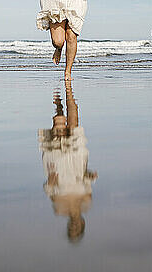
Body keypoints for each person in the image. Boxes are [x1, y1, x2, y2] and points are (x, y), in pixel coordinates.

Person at [38, 81, 97, 243]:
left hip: (58, 166)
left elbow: (49, 189)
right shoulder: (87, 202)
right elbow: (85, 178)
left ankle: (59, 105)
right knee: (73, 124)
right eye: (76, 228)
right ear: (82, 223)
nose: (74, 225)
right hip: (77, 160)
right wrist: (90, 176)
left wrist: (50, 182)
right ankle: (67, 96)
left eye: (72, 229)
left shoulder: (58, 209)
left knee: (57, 128)